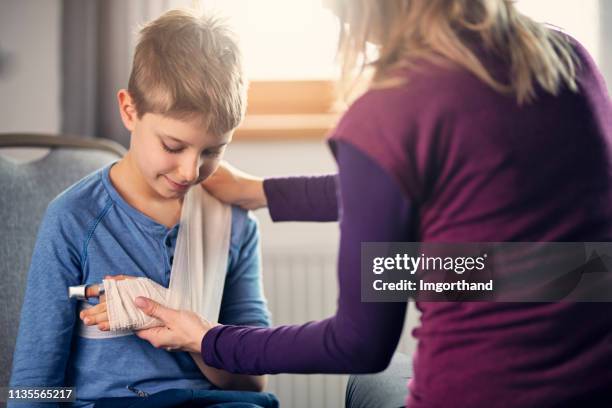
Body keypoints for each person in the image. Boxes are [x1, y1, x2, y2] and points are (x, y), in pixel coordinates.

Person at [93, 0, 612, 407]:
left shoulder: (392, 111)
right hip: (596, 382)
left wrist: (210, 338)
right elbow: (575, 268)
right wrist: (264, 193)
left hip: (476, 393)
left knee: (383, 364)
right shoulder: (562, 56)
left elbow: (360, 345)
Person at [9, 9, 274, 408]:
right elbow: (35, 380)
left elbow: (253, 379)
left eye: (213, 151)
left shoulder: (232, 223)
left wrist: (174, 320)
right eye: (173, 146)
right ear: (129, 110)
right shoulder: (74, 219)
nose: (190, 170)